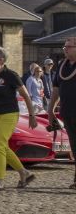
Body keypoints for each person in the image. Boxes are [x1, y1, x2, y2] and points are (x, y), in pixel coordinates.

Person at [0, 46, 39, 190]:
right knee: (1, 146)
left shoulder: (11, 75)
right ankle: (24, 173)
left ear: (1, 60)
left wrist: (32, 115)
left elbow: (26, 95)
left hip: (9, 113)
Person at [46, 37, 76, 181]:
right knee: (74, 145)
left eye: (69, 47)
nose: (65, 49)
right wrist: (50, 109)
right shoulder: (62, 65)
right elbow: (56, 89)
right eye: (65, 47)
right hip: (68, 112)